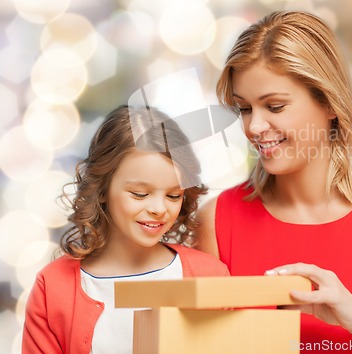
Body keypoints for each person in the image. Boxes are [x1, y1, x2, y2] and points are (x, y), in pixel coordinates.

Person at [196, 11, 352, 352]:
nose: (254, 127)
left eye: (275, 106)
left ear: (329, 102)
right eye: (244, 109)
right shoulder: (218, 221)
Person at [22, 105, 229, 354]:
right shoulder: (53, 286)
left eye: (174, 195)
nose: (159, 209)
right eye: (140, 194)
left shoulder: (210, 276)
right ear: (102, 189)